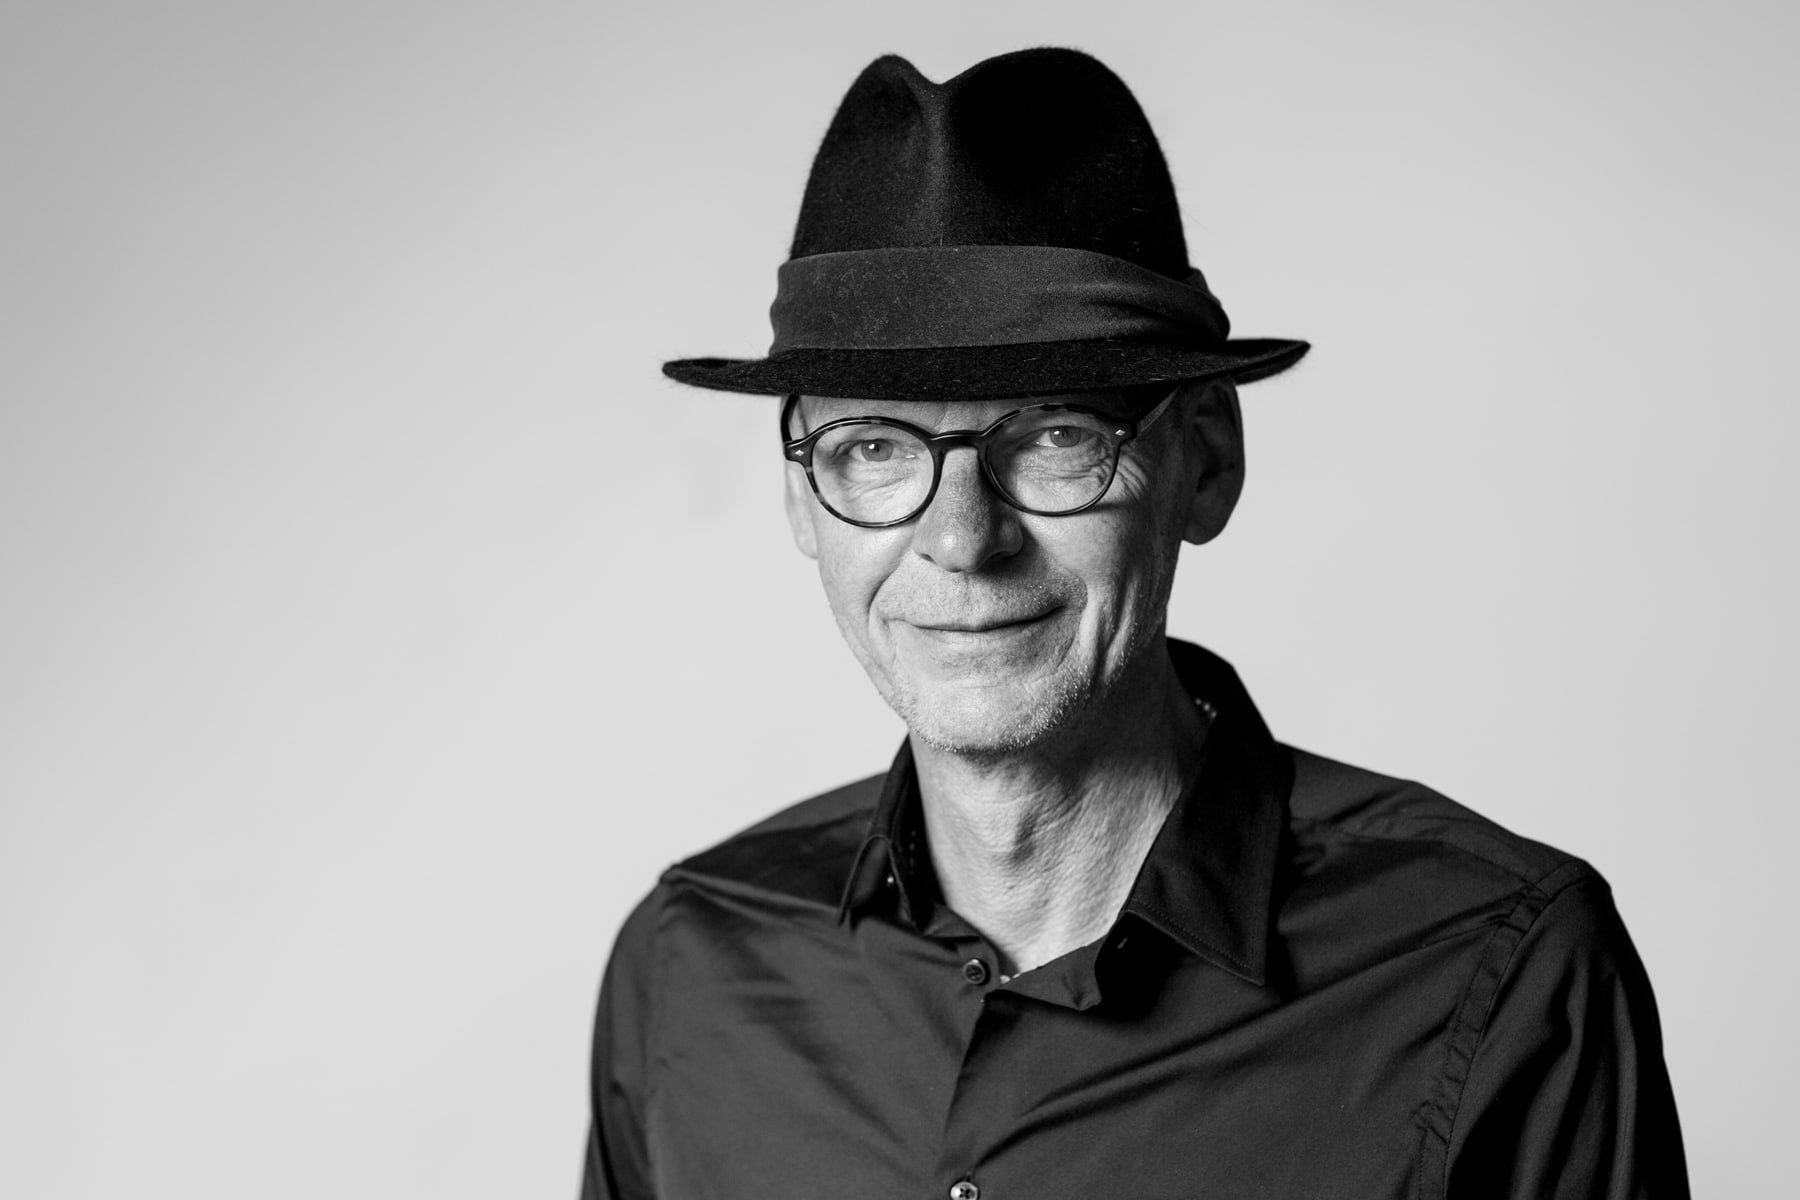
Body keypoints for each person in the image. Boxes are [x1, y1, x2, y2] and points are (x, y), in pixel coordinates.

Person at [582, 48, 1687, 1199]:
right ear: (802, 499)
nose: (961, 537)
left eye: (1057, 436)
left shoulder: (1496, 976)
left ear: (1205, 461)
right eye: (873, 447)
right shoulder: (685, 970)